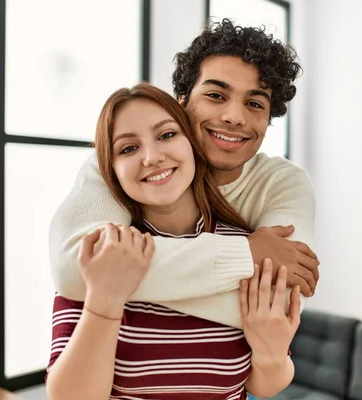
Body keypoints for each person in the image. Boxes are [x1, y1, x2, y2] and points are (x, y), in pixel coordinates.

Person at [49, 18, 319, 329]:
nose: (234, 117)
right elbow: (74, 268)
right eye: (216, 96)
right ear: (182, 101)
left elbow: (282, 302)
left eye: (255, 103)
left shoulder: (282, 183)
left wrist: (115, 286)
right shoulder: (123, 165)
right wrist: (247, 254)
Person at [45, 83, 301, 400]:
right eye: (128, 149)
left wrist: (273, 354)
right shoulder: (106, 251)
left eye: (167, 135)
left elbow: (262, 385)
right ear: (110, 170)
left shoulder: (245, 247)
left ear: (192, 143)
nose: (152, 157)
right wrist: (104, 303)